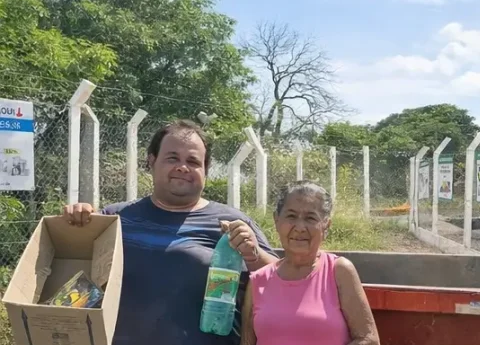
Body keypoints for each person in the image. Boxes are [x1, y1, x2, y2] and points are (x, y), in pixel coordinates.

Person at [63, 120, 279, 345]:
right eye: (172, 158)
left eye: (193, 161)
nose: (182, 167)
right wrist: (77, 219)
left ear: (205, 170)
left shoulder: (232, 223)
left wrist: (253, 256)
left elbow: (285, 282)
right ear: (152, 161)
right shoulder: (115, 219)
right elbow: (73, 270)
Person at [242, 181, 379, 345]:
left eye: (310, 218)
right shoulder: (257, 281)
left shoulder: (339, 271)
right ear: (277, 221)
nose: (300, 227)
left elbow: (369, 339)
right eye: (291, 216)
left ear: (325, 226)